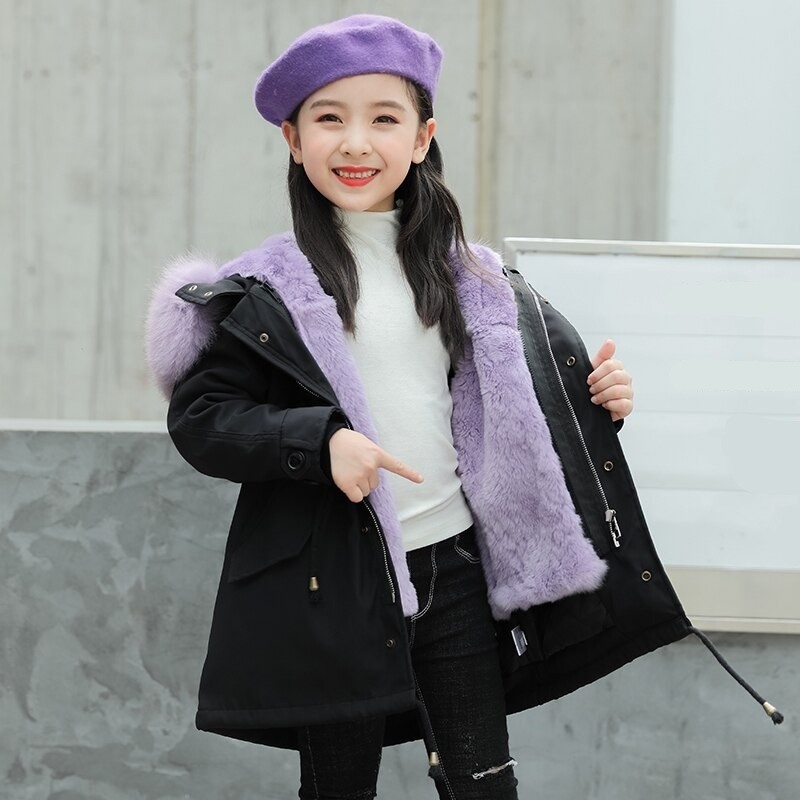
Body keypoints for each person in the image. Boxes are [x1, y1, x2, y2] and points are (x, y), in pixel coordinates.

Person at [145, 14, 779, 800]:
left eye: (384, 120)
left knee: (483, 784)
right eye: (330, 119)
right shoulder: (267, 290)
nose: (355, 143)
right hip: (335, 579)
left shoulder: (471, 277)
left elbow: (518, 409)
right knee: (339, 789)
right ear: (293, 139)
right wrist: (320, 443)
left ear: (422, 138)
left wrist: (601, 402)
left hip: (454, 570)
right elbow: (203, 420)